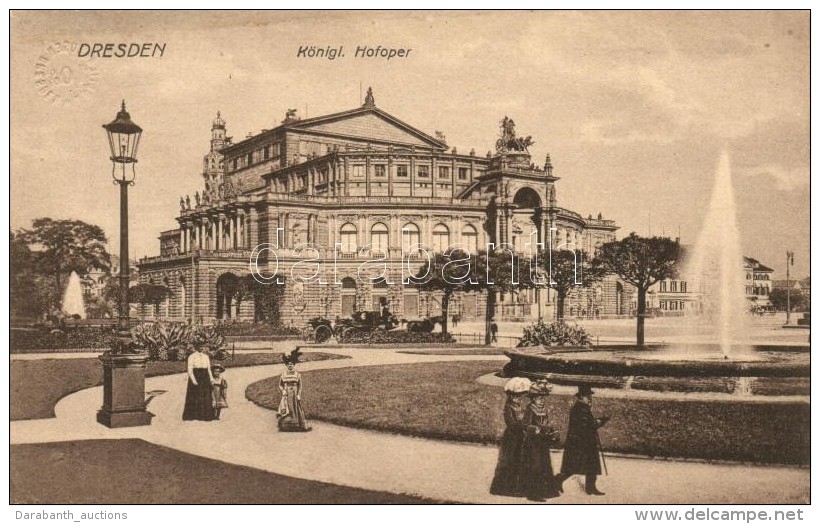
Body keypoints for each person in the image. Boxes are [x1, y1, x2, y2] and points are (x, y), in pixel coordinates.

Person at [555, 385, 611, 496]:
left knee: (591, 465)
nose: (590, 398)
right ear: (581, 397)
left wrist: (599, 421)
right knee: (573, 467)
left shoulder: (583, 407)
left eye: (590, 396)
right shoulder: (579, 408)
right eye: (587, 396)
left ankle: (591, 488)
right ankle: (557, 481)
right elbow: (590, 424)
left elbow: (590, 423)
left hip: (586, 442)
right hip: (579, 443)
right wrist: (603, 420)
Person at [489, 377, 531, 497]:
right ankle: (500, 487)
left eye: (521, 396)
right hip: (511, 438)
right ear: (511, 396)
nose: (519, 399)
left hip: (519, 437)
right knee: (508, 462)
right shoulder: (509, 407)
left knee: (518, 462)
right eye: (517, 396)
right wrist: (523, 425)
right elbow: (511, 423)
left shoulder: (518, 407)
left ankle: (513, 486)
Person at [521, 379, 561, 501]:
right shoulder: (530, 409)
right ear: (533, 398)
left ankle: (545, 491)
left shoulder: (543, 409)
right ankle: (533, 494)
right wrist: (536, 429)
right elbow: (525, 425)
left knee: (545, 466)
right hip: (533, 444)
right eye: (539, 398)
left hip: (542, 443)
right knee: (535, 467)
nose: (542, 400)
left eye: (543, 398)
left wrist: (551, 431)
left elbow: (546, 423)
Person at [277, 348, 311, 432]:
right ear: (286, 365)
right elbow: (280, 385)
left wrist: (299, 394)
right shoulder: (283, 374)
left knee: (296, 408)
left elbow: (300, 386)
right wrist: (283, 390)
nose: (290, 366)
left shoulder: (298, 375)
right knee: (287, 408)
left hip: (295, 393)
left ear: (294, 364)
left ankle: (297, 425)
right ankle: (286, 426)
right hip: (286, 394)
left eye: (291, 364)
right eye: (288, 364)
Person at [182, 344, 215, 421]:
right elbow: (190, 369)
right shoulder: (192, 356)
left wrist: (211, 378)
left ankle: (205, 415)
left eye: (202, 346)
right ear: (195, 347)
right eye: (199, 346)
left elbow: (209, 369)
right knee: (194, 395)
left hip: (205, 376)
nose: (201, 348)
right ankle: (193, 415)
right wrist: (193, 380)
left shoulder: (206, 357)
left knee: (205, 395)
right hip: (196, 375)